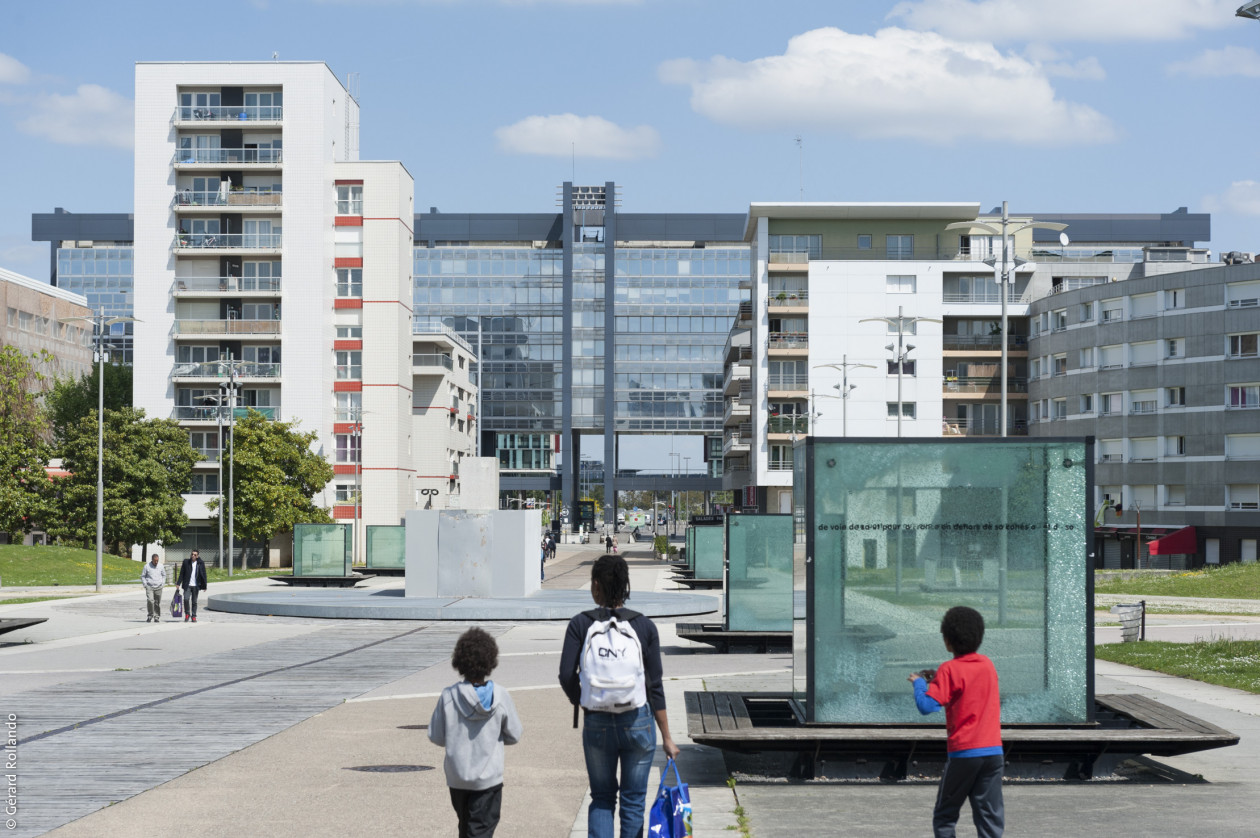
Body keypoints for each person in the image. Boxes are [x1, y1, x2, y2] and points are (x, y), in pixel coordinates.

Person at [560, 554, 680, 838]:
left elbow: (566, 675)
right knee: (633, 799)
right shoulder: (644, 626)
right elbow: (655, 686)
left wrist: (586, 699)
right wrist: (667, 736)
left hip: (597, 721)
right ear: (626, 585)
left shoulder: (580, 624)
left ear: (596, 586)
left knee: (602, 797)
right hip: (637, 721)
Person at [908, 606, 1004, 838]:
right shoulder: (988, 665)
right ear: (979, 637)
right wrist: (938, 679)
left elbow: (927, 706)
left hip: (965, 754)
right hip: (993, 753)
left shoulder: (949, 669)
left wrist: (919, 683)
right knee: (989, 815)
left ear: (947, 641)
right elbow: (968, 687)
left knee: (945, 815)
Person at [429, 627, 523, 838]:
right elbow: (515, 734)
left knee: (466, 827)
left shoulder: (448, 696)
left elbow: (435, 736)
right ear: (491, 661)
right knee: (480, 830)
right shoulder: (500, 695)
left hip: (457, 778)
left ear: (459, 662)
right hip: (488, 779)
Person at [176, 550, 208, 623]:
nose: (193, 556)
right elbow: (182, 573)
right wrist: (178, 583)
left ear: (197, 556)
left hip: (196, 586)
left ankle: (193, 616)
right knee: (186, 599)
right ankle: (187, 614)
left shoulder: (200, 563)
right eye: (192, 554)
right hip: (188, 585)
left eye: (195, 555)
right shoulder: (186, 562)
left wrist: (204, 585)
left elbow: (204, 574)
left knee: (194, 602)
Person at [141, 553, 165, 623]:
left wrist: (162, 583)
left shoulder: (161, 566)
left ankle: (156, 617)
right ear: (152, 560)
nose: (156, 562)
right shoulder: (147, 566)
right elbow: (143, 576)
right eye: (155, 561)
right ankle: (150, 615)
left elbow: (164, 575)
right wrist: (145, 584)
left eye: (157, 560)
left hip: (158, 587)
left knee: (157, 603)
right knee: (150, 601)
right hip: (149, 586)